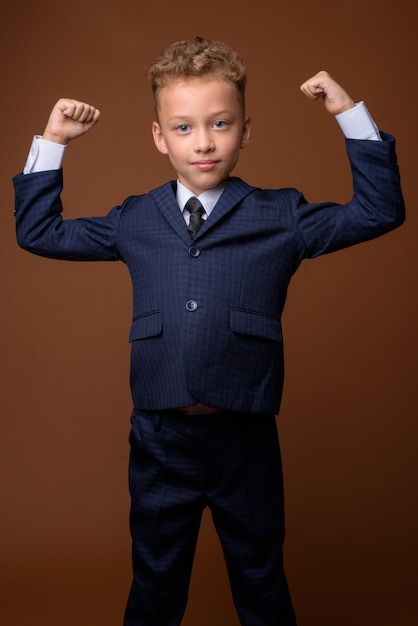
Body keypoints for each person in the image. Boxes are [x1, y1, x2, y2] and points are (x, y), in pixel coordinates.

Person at [13, 36, 404, 626]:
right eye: (184, 128)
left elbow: (380, 211)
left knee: (261, 581)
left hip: (244, 438)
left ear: (245, 131)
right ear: (158, 136)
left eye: (221, 124)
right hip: (158, 438)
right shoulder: (135, 218)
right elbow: (39, 233)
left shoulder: (282, 215)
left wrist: (349, 114)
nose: (203, 142)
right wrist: (54, 143)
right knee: (155, 584)